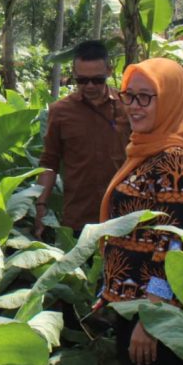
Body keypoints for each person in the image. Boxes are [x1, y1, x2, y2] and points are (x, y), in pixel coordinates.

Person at [99, 57, 183, 365]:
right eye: (129, 95)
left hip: (154, 314)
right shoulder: (143, 149)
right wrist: (111, 289)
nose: (134, 106)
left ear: (169, 99)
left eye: (146, 97)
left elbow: (173, 243)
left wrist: (153, 320)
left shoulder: (174, 158)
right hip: (132, 302)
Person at [34, 40, 131, 238]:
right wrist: (40, 205)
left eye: (97, 79)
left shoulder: (127, 107)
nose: (89, 86)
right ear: (74, 75)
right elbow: (49, 163)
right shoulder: (60, 112)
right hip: (79, 220)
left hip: (123, 217)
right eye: (82, 80)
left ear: (109, 72)